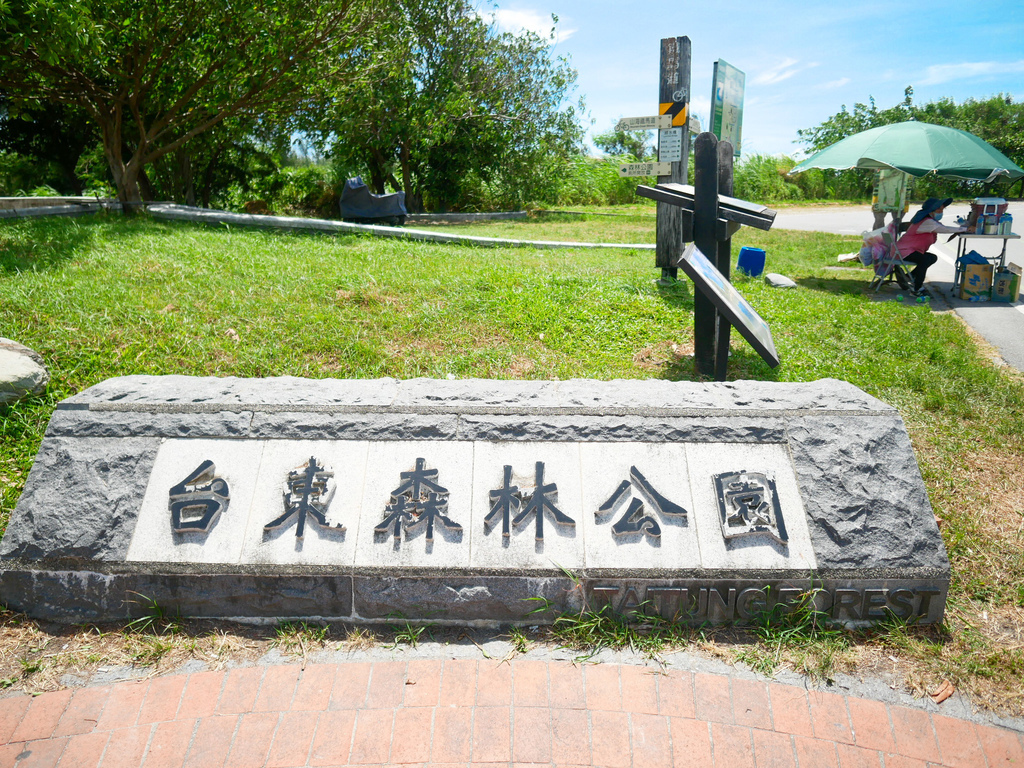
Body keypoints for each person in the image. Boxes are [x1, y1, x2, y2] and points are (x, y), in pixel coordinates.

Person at [895, 197, 966, 295]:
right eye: (938, 210)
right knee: (924, 260)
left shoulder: (929, 220)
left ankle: (908, 277)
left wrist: (962, 229)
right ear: (931, 211)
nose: (941, 212)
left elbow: (941, 228)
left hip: (908, 250)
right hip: (903, 251)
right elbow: (944, 229)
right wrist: (964, 229)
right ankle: (917, 288)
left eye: (942, 209)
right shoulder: (927, 221)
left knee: (932, 257)